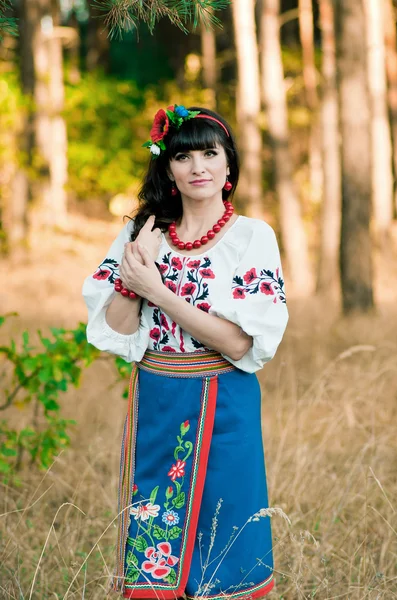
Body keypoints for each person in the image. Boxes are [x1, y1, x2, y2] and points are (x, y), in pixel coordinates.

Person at [82, 105, 289, 600]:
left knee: (225, 541)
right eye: (183, 156)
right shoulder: (143, 234)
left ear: (228, 165)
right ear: (168, 168)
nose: (197, 167)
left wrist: (158, 290)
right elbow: (115, 328)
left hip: (225, 401)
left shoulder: (251, 237)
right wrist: (136, 278)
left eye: (209, 153)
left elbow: (240, 342)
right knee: (155, 537)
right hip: (157, 398)